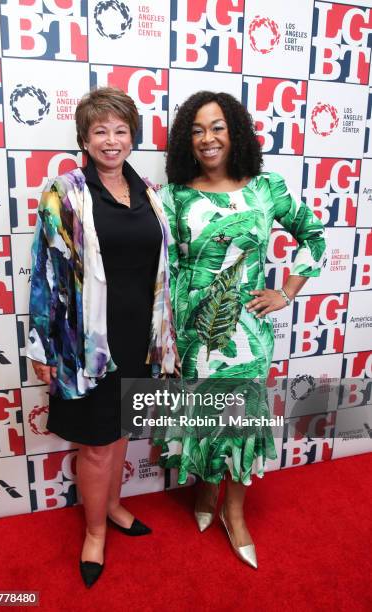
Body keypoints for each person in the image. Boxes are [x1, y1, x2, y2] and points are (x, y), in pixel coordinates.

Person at [157, 91, 326, 569]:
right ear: (185, 140)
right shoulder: (174, 195)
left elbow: (313, 235)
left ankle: (234, 510)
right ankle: (207, 492)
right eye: (196, 130)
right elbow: (165, 268)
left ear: (234, 132)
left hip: (246, 331)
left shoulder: (266, 188)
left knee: (243, 420)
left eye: (217, 127)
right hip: (194, 333)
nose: (207, 139)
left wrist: (286, 291)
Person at [27, 87, 177, 587]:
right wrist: (42, 346)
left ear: (132, 137)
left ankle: (112, 505)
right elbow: (45, 273)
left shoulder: (150, 194)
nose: (111, 141)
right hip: (85, 343)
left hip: (141, 338)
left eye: (120, 130)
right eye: (100, 131)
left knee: (118, 434)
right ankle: (94, 531)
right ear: (84, 140)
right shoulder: (64, 192)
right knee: (95, 444)